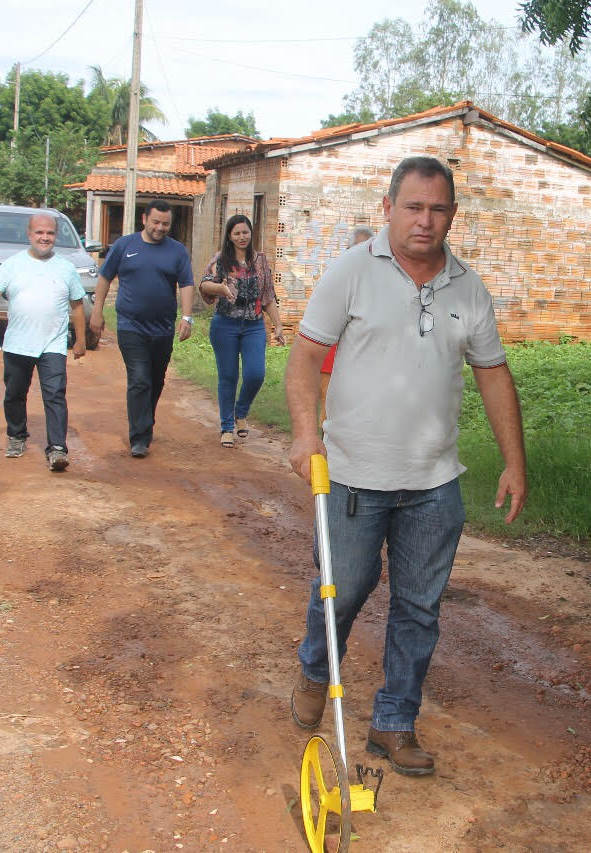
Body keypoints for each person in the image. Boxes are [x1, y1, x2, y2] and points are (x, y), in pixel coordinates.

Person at [284, 157, 527, 776]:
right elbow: (305, 359)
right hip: (350, 476)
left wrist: (513, 462)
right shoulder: (351, 272)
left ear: (452, 214)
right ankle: (317, 667)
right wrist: (306, 435)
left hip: (434, 483)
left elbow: (493, 375)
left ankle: (394, 723)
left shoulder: (469, 288)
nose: (425, 220)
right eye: (413, 207)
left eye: (437, 208)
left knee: (420, 608)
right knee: (343, 592)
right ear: (388, 208)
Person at [0, 213, 88, 473]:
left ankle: (57, 449)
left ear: (55, 236)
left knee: (55, 394)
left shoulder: (66, 268)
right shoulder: (12, 265)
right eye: (39, 232)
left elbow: (78, 307)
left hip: (53, 344)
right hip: (17, 343)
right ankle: (16, 436)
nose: (44, 237)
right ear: (29, 235)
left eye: (49, 233)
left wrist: (80, 341)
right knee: (15, 393)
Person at [90, 200, 196, 458]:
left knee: (155, 380)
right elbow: (105, 277)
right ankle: (139, 437)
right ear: (144, 219)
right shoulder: (124, 246)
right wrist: (97, 311)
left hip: (161, 329)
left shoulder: (177, 251)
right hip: (130, 325)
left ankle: (145, 420)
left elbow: (186, 284)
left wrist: (188, 317)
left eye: (166, 224)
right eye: (156, 222)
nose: (160, 228)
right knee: (139, 379)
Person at [198, 214, 285, 448]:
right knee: (228, 377)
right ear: (229, 236)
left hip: (254, 326)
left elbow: (267, 296)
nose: (242, 237)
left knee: (256, 374)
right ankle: (227, 427)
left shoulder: (261, 261)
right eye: (236, 233)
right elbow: (204, 285)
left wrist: (277, 325)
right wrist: (220, 288)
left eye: (245, 232)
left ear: (251, 233)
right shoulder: (221, 261)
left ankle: (241, 411)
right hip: (224, 324)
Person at [318, 225, 374, 428]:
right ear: (347, 250)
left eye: (368, 249)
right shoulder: (335, 276)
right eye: (356, 248)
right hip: (333, 354)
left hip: (367, 357)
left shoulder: (381, 282)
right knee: (328, 411)